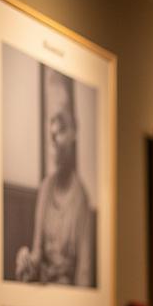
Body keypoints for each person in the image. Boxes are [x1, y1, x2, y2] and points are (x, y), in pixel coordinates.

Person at [15, 67, 93, 286]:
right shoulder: (46, 188)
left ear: (74, 132)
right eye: (52, 132)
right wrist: (28, 261)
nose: (56, 138)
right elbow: (38, 254)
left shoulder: (81, 199)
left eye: (62, 129)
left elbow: (84, 273)